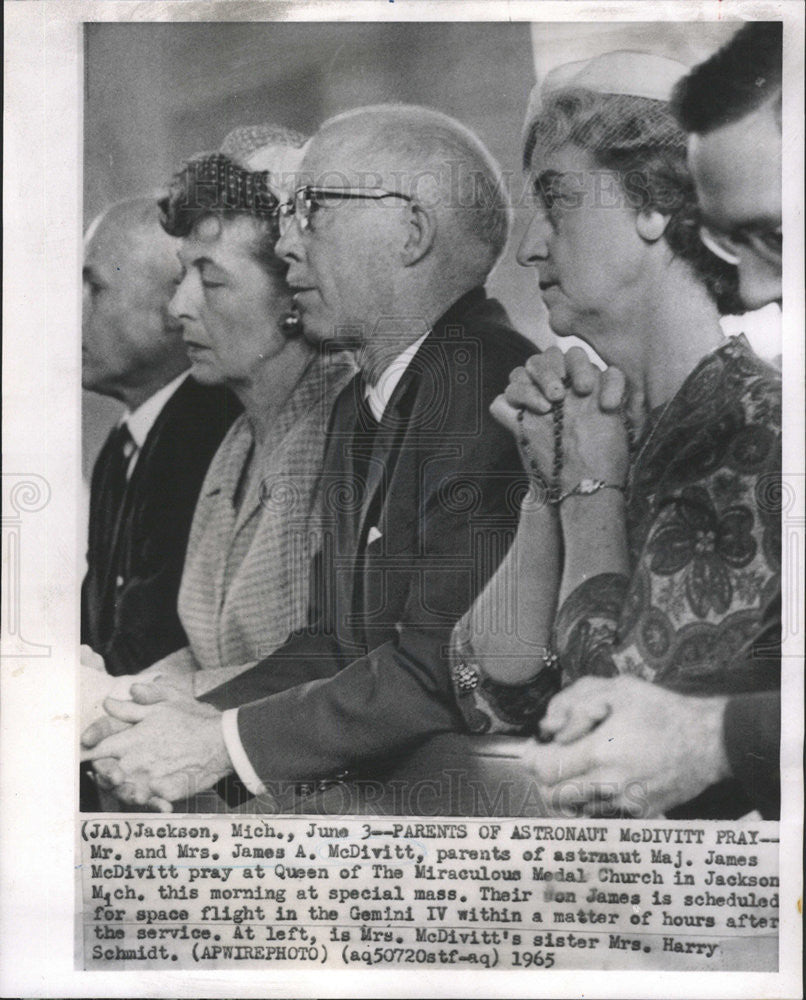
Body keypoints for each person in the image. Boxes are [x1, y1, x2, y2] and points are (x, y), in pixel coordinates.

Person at [81, 104, 533, 810]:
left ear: (410, 232)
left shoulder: (482, 386)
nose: (286, 244)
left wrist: (219, 743)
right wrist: (187, 726)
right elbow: (332, 641)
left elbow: (439, 669)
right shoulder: (377, 397)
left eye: (311, 209)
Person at [449, 50, 782, 819]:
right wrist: (548, 489)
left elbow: (605, 736)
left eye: (556, 201)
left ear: (655, 205)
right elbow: (483, 692)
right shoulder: (612, 419)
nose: (530, 245)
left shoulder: (760, 426)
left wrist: (589, 498)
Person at [81, 198, 240, 677]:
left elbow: (150, 650)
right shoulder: (125, 442)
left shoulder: (209, 437)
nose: (75, 309)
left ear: (176, 304)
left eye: (95, 286)